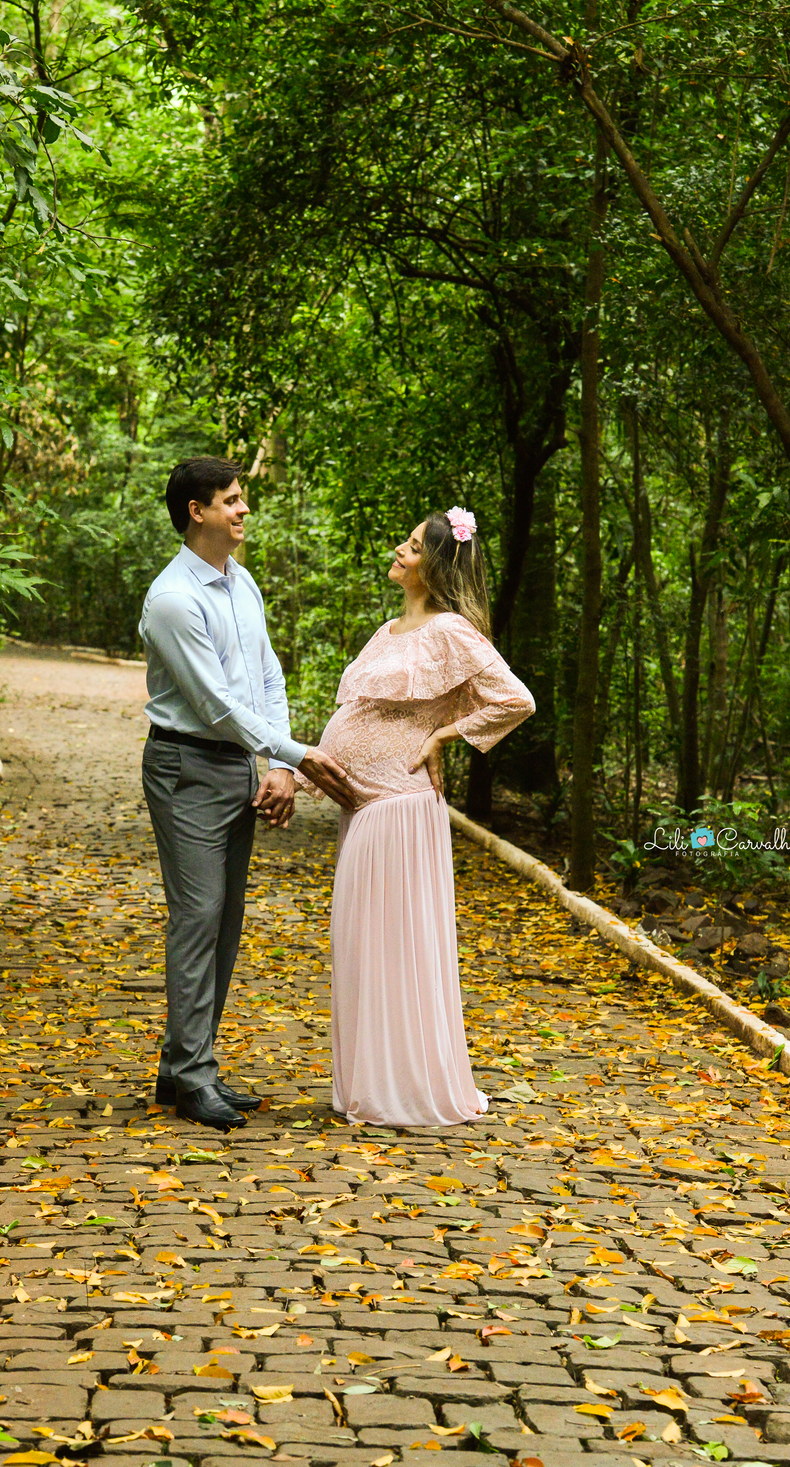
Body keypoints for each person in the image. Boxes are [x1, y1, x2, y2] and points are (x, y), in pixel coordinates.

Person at [139, 456, 357, 1132]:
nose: (243, 511)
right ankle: (193, 1075)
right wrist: (298, 754)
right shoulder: (174, 599)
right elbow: (211, 703)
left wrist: (280, 767)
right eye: (231, 501)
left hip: (235, 765)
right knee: (197, 917)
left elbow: (267, 676)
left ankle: (183, 1069)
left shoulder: (242, 583)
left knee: (225, 923)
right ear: (196, 511)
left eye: (242, 499)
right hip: (186, 765)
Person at [304, 508, 534, 1127]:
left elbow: (516, 699)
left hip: (400, 808)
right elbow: (361, 716)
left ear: (434, 565)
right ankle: (370, 1082)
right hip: (366, 808)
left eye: (410, 548)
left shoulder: (451, 631)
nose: (398, 553)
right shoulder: (387, 630)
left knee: (395, 949)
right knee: (360, 946)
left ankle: (401, 1088)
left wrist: (445, 736)